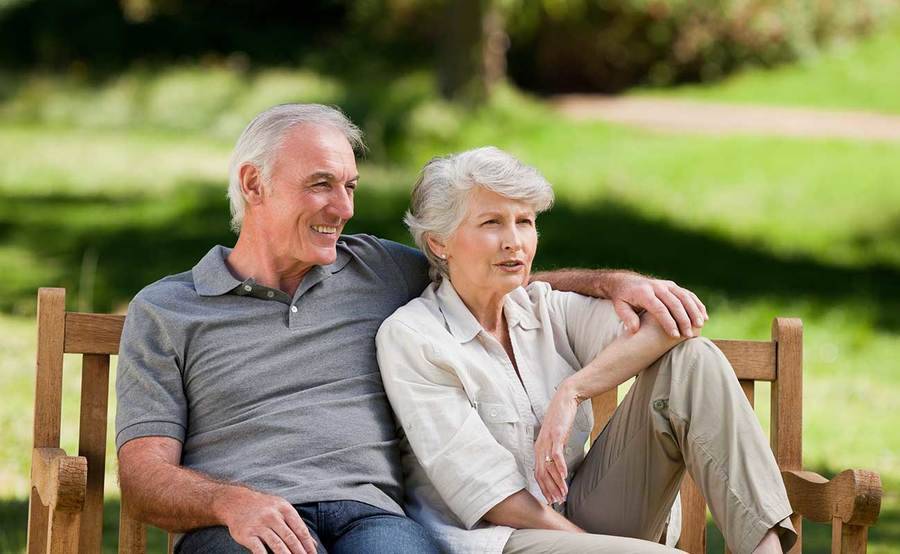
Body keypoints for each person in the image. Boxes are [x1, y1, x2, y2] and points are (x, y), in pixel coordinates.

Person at [115, 104, 709, 554]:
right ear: (253, 185)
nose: (343, 208)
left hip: (371, 518)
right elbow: (144, 480)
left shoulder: (376, 268)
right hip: (240, 525)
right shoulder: (169, 310)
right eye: (321, 184)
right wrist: (228, 501)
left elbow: (489, 268)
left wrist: (613, 284)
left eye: (349, 186)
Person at [375, 146, 798, 554]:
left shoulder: (543, 307)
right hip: (503, 538)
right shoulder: (414, 338)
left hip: (585, 515)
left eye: (524, 221)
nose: (514, 241)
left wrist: (573, 391)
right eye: (491, 223)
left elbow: (670, 325)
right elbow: (496, 501)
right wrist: (593, 547)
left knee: (694, 359)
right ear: (438, 244)